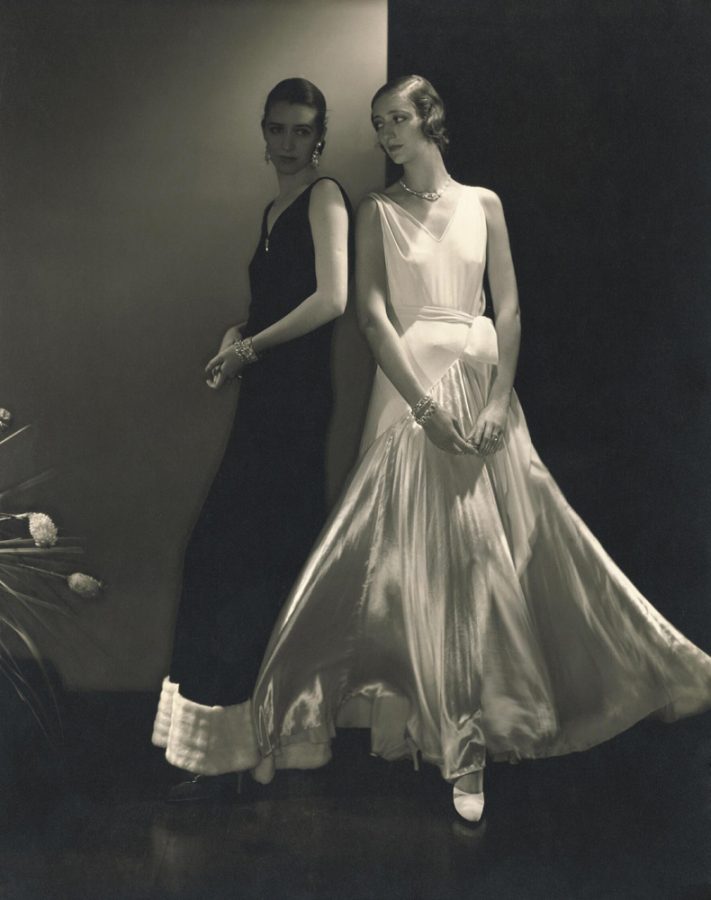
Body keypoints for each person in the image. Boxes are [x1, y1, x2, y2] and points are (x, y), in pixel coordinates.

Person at [248, 75, 711, 823]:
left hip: (483, 392)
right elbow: (369, 316)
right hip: (408, 394)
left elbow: (511, 307)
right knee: (405, 565)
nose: (385, 134)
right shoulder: (375, 211)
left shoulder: (483, 204)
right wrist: (424, 409)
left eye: (396, 119)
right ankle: (439, 742)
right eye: (376, 123)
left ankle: (469, 743)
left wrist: (498, 400)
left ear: (430, 121)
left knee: (487, 563)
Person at [152, 78, 352, 800]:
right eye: (277, 129)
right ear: (262, 133)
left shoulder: (326, 196)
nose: (287, 143)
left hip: (296, 405)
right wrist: (236, 336)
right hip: (266, 396)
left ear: (319, 137)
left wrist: (250, 350)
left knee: (253, 557)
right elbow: (273, 300)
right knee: (233, 558)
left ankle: (265, 746)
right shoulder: (274, 208)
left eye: (301, 131)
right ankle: (241, 748)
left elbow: (333, 298)